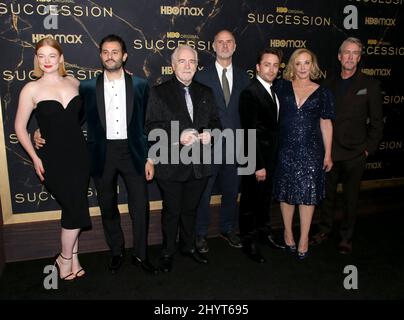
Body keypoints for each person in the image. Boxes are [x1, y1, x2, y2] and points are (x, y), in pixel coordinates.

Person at [35, 34, 156, 274]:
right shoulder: (87, 87)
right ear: (100, 56)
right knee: (107, 204)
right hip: (101, 152)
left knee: (140, 205)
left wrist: (151, 156)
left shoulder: (141, 85)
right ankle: (116, 250)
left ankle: (141, 255)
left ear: (124, 56)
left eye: (115, 52)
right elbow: (70, 119)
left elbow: (149, 123)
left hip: (134, 152)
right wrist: (39, 130)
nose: (110, 56)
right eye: (106, 52)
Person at [15, 37, 91, 281]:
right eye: (41, 56)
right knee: (73, 206)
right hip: (52, 158)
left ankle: (73, 258)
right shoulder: (31, 89)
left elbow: (78, 119)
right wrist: (35, 157)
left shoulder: (74, 82)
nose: (46, 61)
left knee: (75, 206)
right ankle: (64, 258)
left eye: (51, 56)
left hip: (79, 155)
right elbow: (19, 127)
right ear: (36, 59)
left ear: (60, 58)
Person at [145, 45, 221, 272]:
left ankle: (188, 247)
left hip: (199, 166)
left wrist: (212, 135)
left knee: (190, 210)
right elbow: (150, 127)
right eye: (182, 61)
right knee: (172, 212)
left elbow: (217, 123)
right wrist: (178, 136)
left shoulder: (206, 92)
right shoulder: (159, 92)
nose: (187, 66)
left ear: (197, 66)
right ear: (173, 64)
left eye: (192, 62)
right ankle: (168, 251)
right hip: (170, 166)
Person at [310, 37, 384, 254]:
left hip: (355, 153)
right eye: (347, 53)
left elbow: (378, 122)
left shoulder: (370, 85)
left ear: (359, 58)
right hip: (330, 152)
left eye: (355, 53)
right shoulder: (328, 83)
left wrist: (367, 149)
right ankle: (324, 230)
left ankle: (346, 237)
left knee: (351, 199)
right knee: (327, 196)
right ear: (339, 56)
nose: (350, 57)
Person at [272, 48, 335, 259]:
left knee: (307, 197)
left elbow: (326, 124)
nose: (302, 68)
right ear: (292, 65)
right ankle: (288, 233)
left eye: (306, 63)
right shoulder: (281, 87)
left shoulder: (323, 92)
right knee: (287, 194)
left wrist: (327, 154)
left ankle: (304, 238)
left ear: (313, 65)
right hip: (286, 149)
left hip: (311, 151)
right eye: (298, 63)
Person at [194, 30, 250, 253]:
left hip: (236, 146)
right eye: (220, 42)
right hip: (208, 147)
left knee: (231, 191)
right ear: (213, 46)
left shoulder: (245, 77)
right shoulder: (201, 76)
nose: (225, 46)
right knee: (203, 193)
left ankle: (228, 229)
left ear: (235, 47)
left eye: (229, 42)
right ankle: (200, 233)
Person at [238, 47, 284, 263]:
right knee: (250, 202)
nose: (271, 69)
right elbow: (248, 132)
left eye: (275, 65)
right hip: (254, 159)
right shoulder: (250, 92)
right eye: (267, 64)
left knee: (265, 200)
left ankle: (264, 233)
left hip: (270, 158)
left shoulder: (273, 91)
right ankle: (248, 242)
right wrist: (258, 165)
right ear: (257, 67)